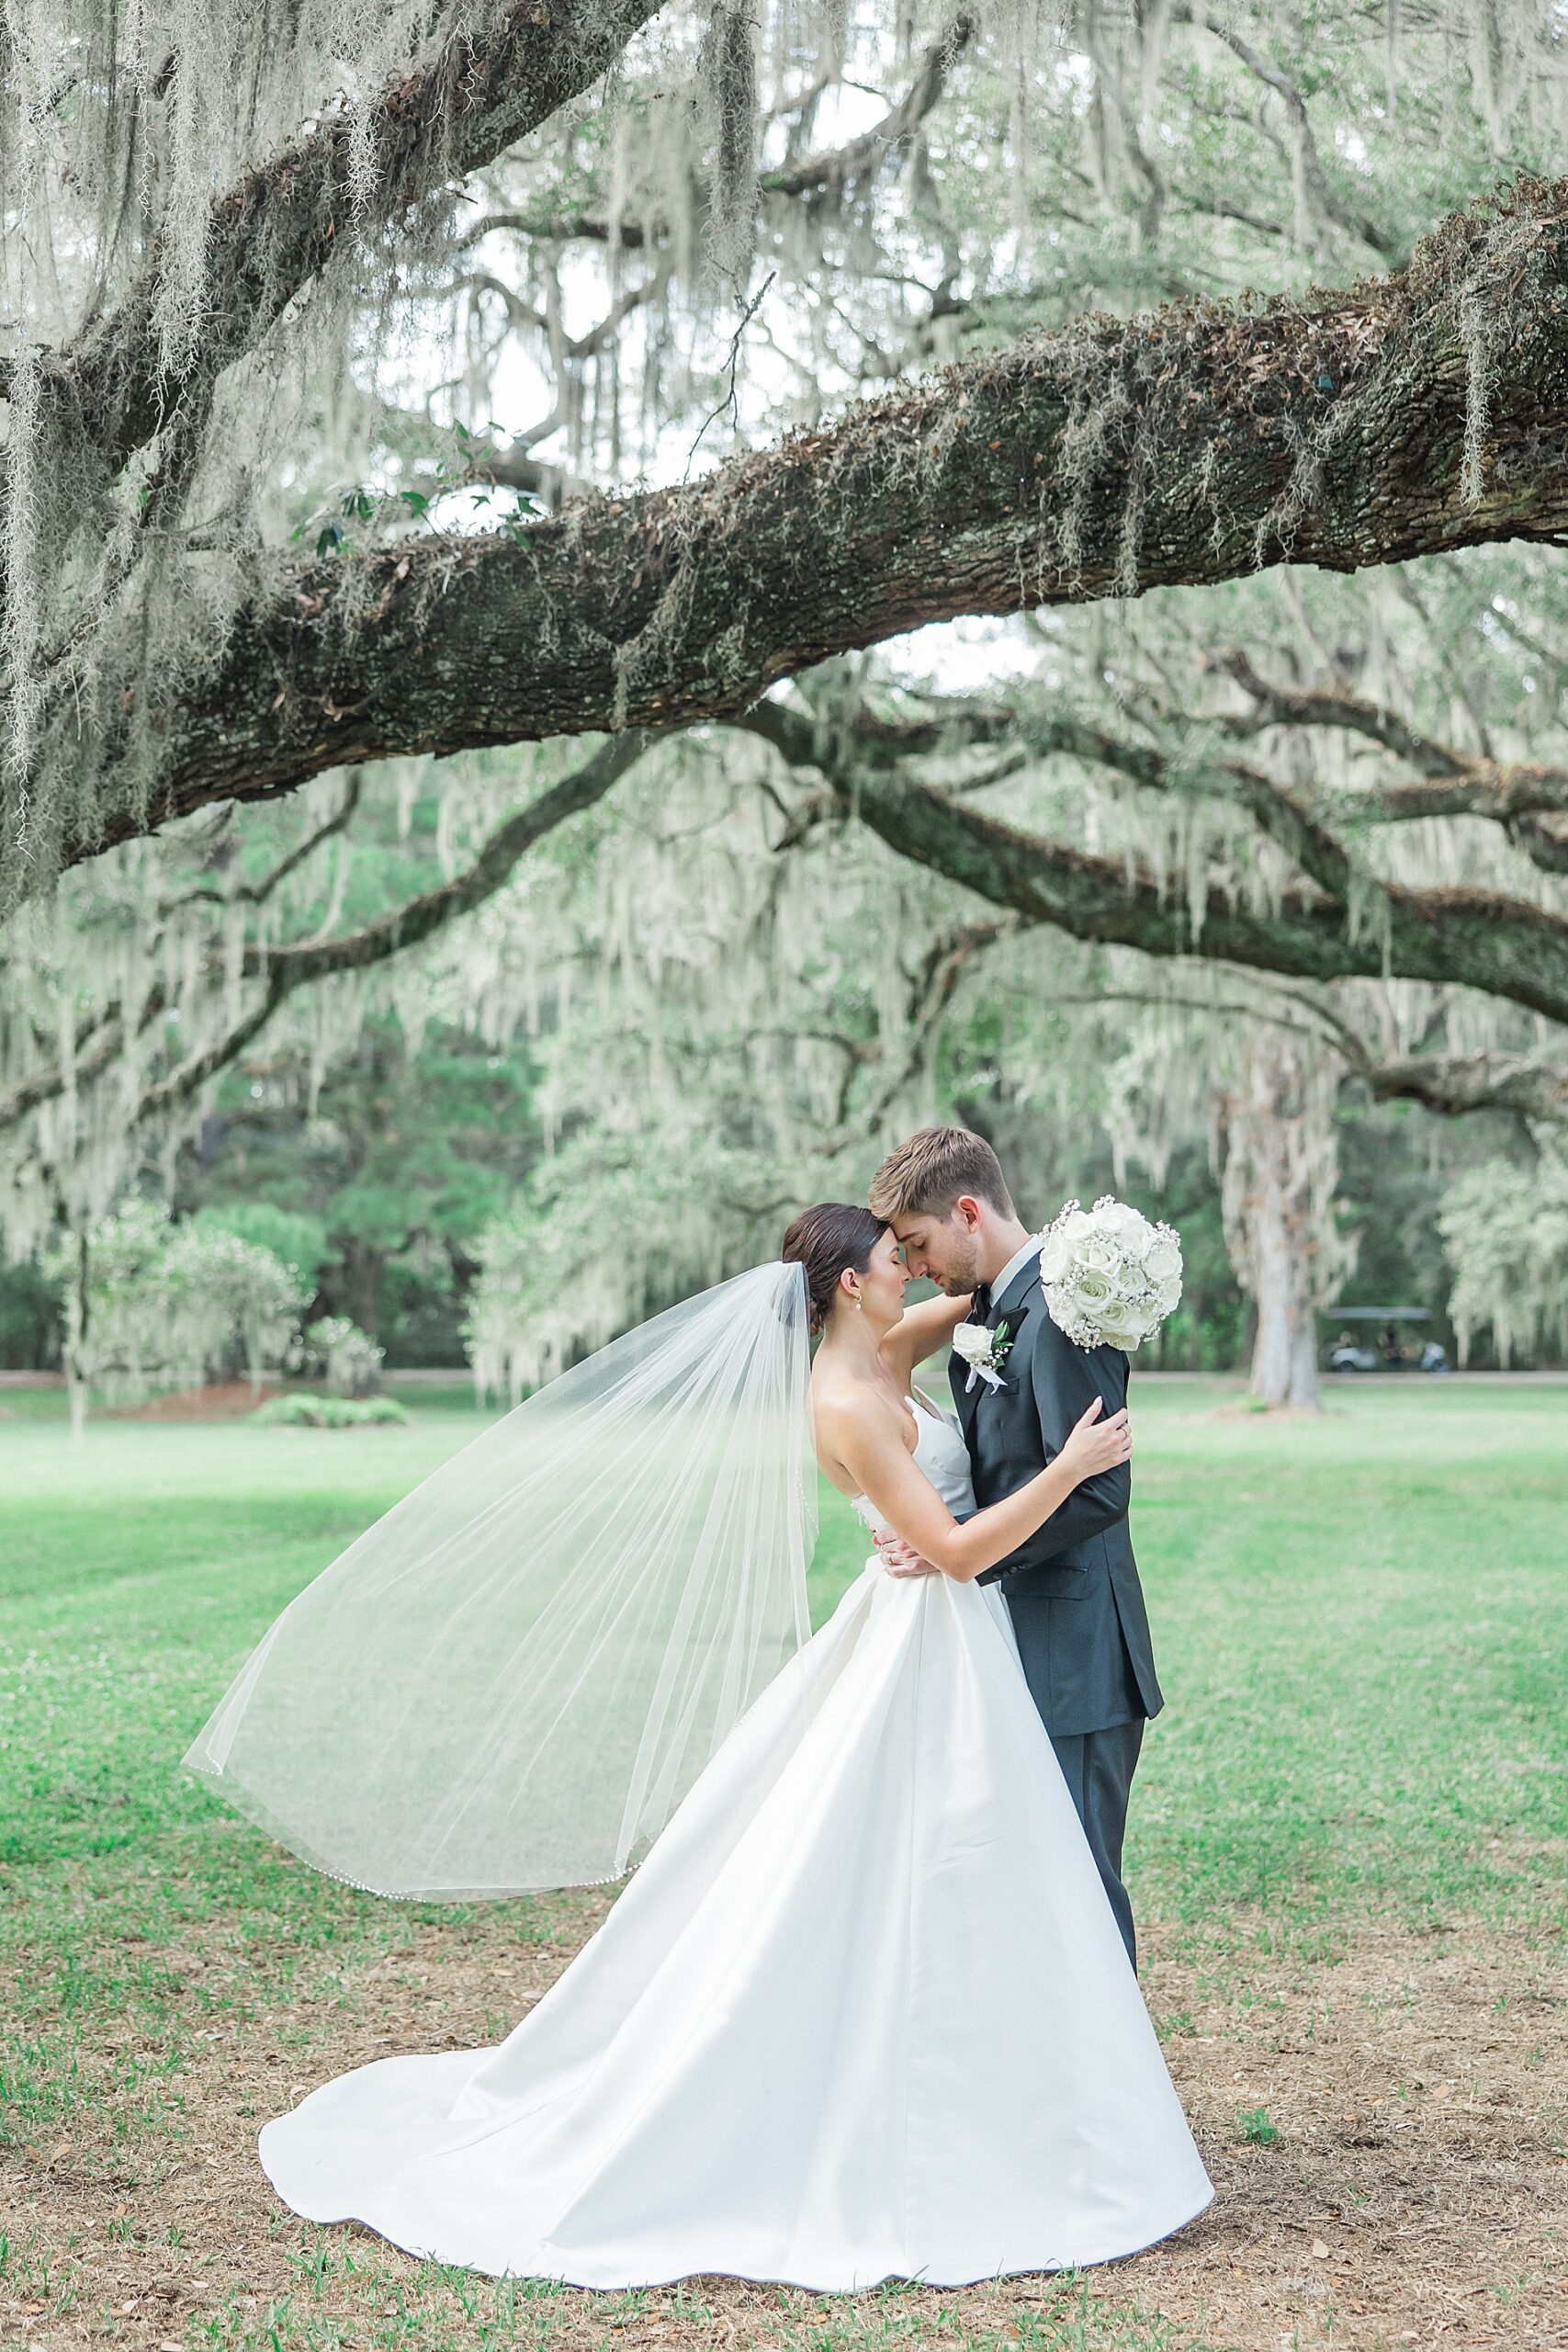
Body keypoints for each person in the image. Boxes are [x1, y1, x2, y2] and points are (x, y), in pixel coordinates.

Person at [211, 1205, 1212, 2290]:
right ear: (843, 1285)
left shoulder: (888, 1345)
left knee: (985, 1868)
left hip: (959, 1651)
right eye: (894, 1259)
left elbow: (987, 1306)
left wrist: (1075, 1274)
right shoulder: (842, 1401)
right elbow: (960, 1551)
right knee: (902, 1863)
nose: (911, 1269)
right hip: (934, 1626)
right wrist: (1069, 1466)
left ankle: (1027, 2090)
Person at [868, 1128, 1162, 1968]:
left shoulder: (1068, 1307)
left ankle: (1112, 2092)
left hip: (1074, 1650)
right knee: (1018, 1878)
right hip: (1006, 1634)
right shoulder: (987, 1308)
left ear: (968, 1212)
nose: (917, 1265)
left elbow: (1101, 1490)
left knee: (1074, 1877)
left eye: (919, 1244)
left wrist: (960, 1550)